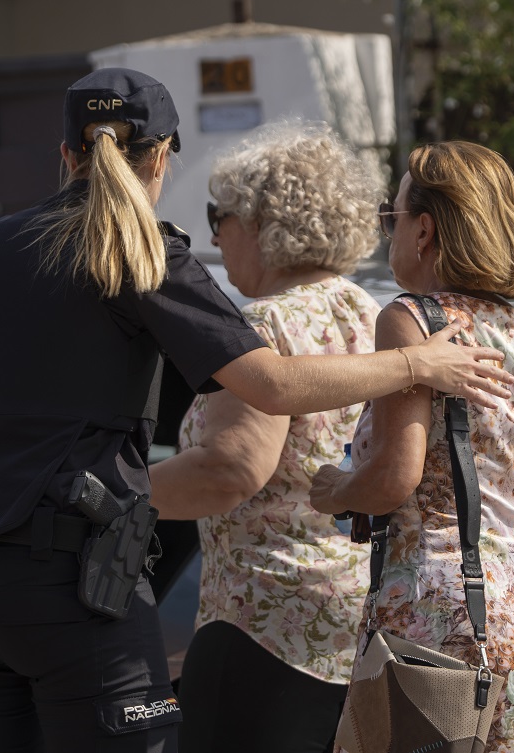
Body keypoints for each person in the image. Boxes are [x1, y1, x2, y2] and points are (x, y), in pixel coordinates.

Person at [0, 68, 513, 753]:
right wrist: (416, 364)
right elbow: (271, 385)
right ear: (162, 155)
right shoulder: (141, 251)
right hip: (72, 591)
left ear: (65, 154)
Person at [310, 140, 514, 753]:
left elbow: (394, 479)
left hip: (431, 614)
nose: (390, 234)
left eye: (393, 217)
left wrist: (339, 490)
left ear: (424, 229)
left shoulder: (411, 320)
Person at [148, 121, 381, 753]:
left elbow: (228, 470)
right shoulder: (374, 315)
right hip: (360, 627)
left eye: (218, 216)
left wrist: (104, 496)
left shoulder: (262, 326)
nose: (215, 235)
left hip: (265, 625)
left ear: (263, 224)